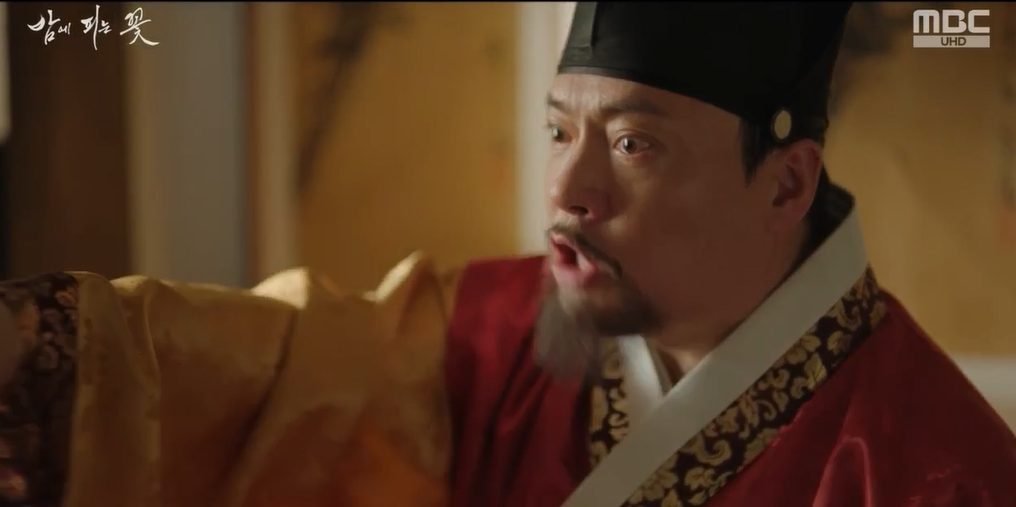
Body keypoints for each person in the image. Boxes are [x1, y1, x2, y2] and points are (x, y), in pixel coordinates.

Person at [1, 2, 1015, 507]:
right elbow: (272, 368)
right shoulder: (494, 332)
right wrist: (39, 344)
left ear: (786, 185)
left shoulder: (941, 473)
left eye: (632, 143)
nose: (566, 188)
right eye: (557, 130)